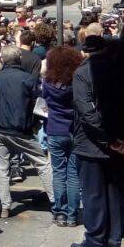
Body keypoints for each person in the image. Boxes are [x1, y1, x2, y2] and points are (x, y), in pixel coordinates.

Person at [71, 36, 124, 247]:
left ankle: (96, 240)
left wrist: (110, 139)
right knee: (114, 191)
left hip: (94, 143)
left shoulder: (82, 73)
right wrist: (122, 138)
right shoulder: (120, 70)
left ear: (85, 52)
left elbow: (87, 113)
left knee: (93, 192)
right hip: (117, 141)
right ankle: (114, 238)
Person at [0, 46, 54, 218]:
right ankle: (56, 200)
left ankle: (5, 206)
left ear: (2, 60)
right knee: (43, 164)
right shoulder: (27, 79)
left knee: (1, 168)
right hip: (21, 128)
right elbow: (38, 101)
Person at [42, 46, 84, 226]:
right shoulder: (77, 82)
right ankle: (73, 215)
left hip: (55, 129)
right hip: (74, 130)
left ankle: (60, 212)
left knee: (58, 172)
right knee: (74, 174)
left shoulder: (47, 83)